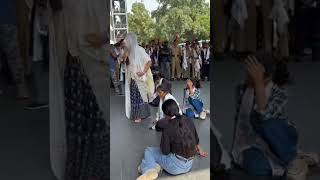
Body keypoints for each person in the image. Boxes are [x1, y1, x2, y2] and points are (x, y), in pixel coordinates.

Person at [231, 53, 319, 179]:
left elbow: (265, 117)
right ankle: (297, 161)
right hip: (254, 143)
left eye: (251, 75)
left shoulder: (280, 91)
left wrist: (258, 83)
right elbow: (241, 125)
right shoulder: (241, 89)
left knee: (263, 120)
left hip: (280, 138)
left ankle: (292, 160)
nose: (246, 77)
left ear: (266, 78)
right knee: (258, 168)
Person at [49, 0, 109, 179]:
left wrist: (106, 36)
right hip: (71, 52)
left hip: (97, 52)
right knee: (80, 116)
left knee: (102, 112)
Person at [137, 99, 208, 180]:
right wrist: (200, 150)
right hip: (189, 165)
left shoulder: (168, 127)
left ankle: (148, 170)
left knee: (149, 151)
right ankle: (156, 167)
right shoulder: (188, 120)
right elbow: (196, 139)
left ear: (165, 114)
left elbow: (165, 151)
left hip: (175, 167)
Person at [0, 0, 29, 99]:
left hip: (7, 16)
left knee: (14, 55)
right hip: (7, 16)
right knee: (14, 56)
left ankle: (22, 88)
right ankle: (22, 89)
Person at [124, 32, 155, 123]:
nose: (126, 42)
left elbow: (149, 61)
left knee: (140, 96)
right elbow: (126, 63)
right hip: (131, 78)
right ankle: (137, 114)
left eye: (127, 40)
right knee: (134, 97)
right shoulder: (128, 51)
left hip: (139, 78)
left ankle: (140, 115)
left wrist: (143, 72)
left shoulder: (140, 50)